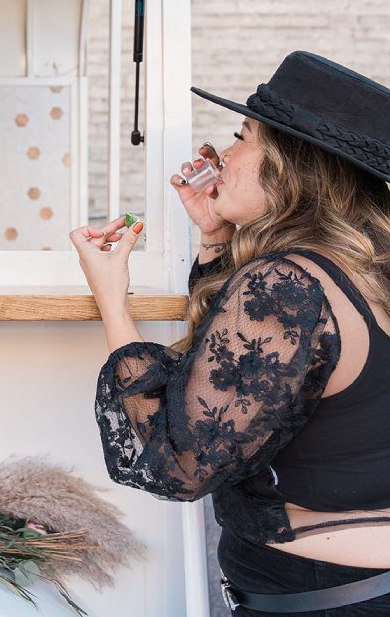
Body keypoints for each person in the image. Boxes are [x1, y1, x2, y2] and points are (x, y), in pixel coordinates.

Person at [70, 51, 390, 615]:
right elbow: (259, 371)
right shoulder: (365, 266)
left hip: (326, 598)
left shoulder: (286, 285)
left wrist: (111, 301)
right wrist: (217, 237)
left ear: (289, 165)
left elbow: (182, 461)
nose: (226, 155)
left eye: (242, 136)